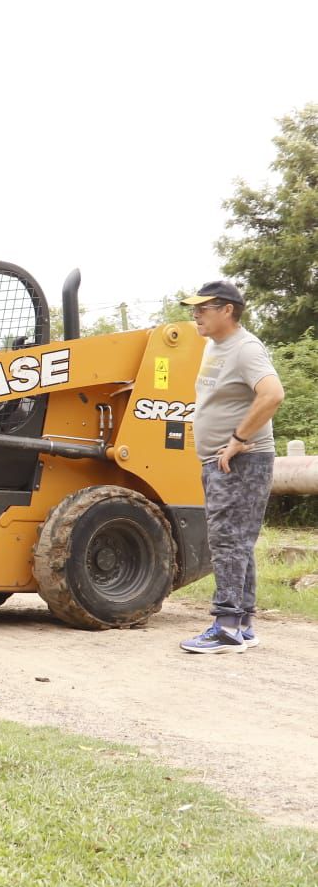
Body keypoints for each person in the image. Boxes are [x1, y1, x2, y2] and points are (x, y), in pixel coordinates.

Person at [178, 279, 284, 655]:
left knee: (226, 541)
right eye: (194, 308)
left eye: (203, 308)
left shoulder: (245, 348)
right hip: (222, 460)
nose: (196, 314)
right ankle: (242, 624)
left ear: (227, 310)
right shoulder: (216, 345)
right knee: (238, 541)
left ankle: (224, 627)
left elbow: (272, 394)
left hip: (240, 461)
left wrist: (238, 439)